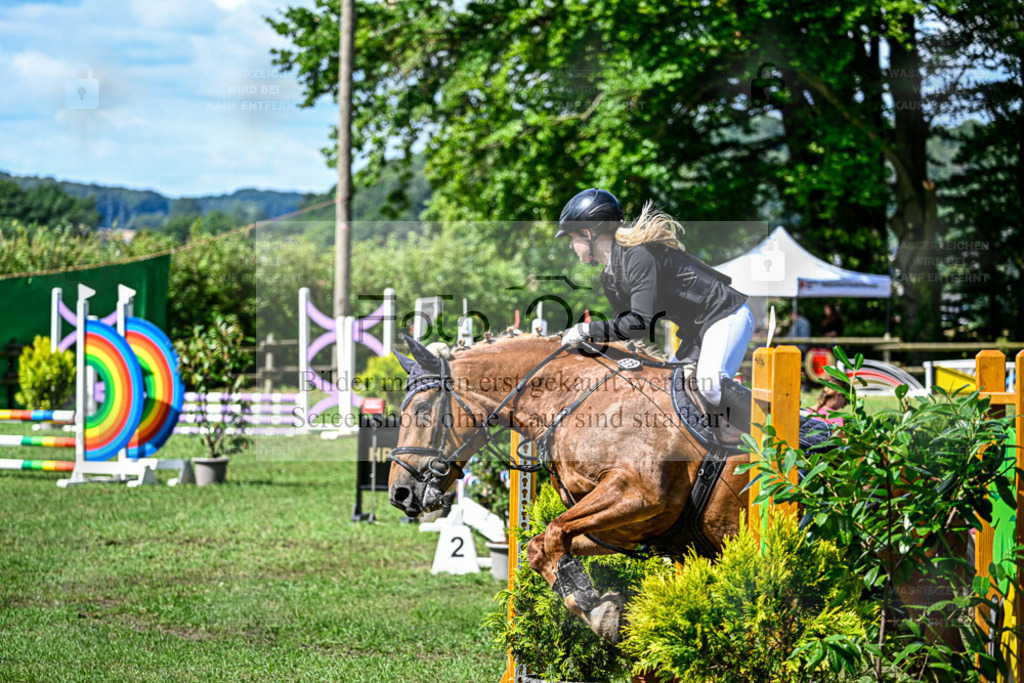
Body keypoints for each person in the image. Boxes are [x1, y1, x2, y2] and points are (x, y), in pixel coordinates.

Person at [555, 188, 754, 429]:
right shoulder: (609, 277)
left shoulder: (639, 256)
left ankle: (786, 427)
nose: (571, 246)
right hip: (697, 333)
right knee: (672, 392)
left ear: (588, 233)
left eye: (571, 238)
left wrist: (587, 329)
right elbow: (627, 329)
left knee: (710, 386)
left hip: (726, 315)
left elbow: (640, 322)